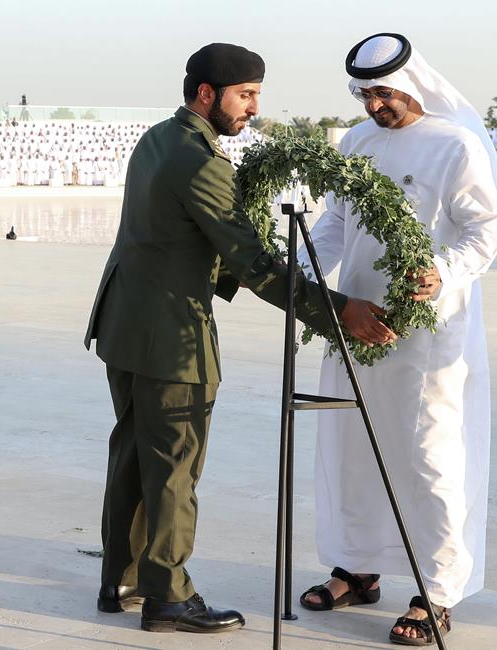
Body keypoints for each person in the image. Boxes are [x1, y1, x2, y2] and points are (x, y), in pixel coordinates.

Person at [83, 43, 394, 635]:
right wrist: (339, 312)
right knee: (174, 466)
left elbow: (183, 240)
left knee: (132, 456)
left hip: (125, 326)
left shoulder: (158, 140)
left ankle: (120, 579)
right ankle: (169, 597)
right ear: (208, 94)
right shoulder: (202, 163)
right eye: (245, 95)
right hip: (170, 338)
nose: (253, 108)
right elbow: (253, 263)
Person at [296, 33, 497, 646]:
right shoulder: (359, 143)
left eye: (382, 93)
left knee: (430, 456)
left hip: (428, 330)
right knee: (353, 445)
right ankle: (357, 569)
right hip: (355, 320)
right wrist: (305, 276)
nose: (372, 106)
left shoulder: (457, 144)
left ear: (412, 84)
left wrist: (442, 271)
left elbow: (483, 232)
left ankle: (436, 590)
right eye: (364, 94)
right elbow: (336, 224)